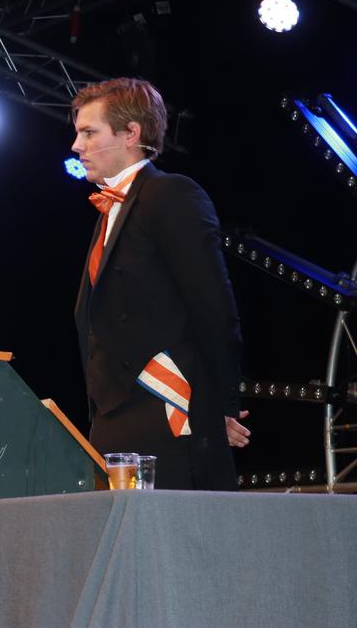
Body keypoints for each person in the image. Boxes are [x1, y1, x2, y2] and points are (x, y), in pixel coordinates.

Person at [71, 77, 250, 490]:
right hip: (113, 414)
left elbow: (213, 305)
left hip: (166, 409)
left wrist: (219, 406)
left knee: (174, 528)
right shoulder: (108, 212)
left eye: (89, 133)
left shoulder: (170, 194)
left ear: (131, 134)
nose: (77, 145)